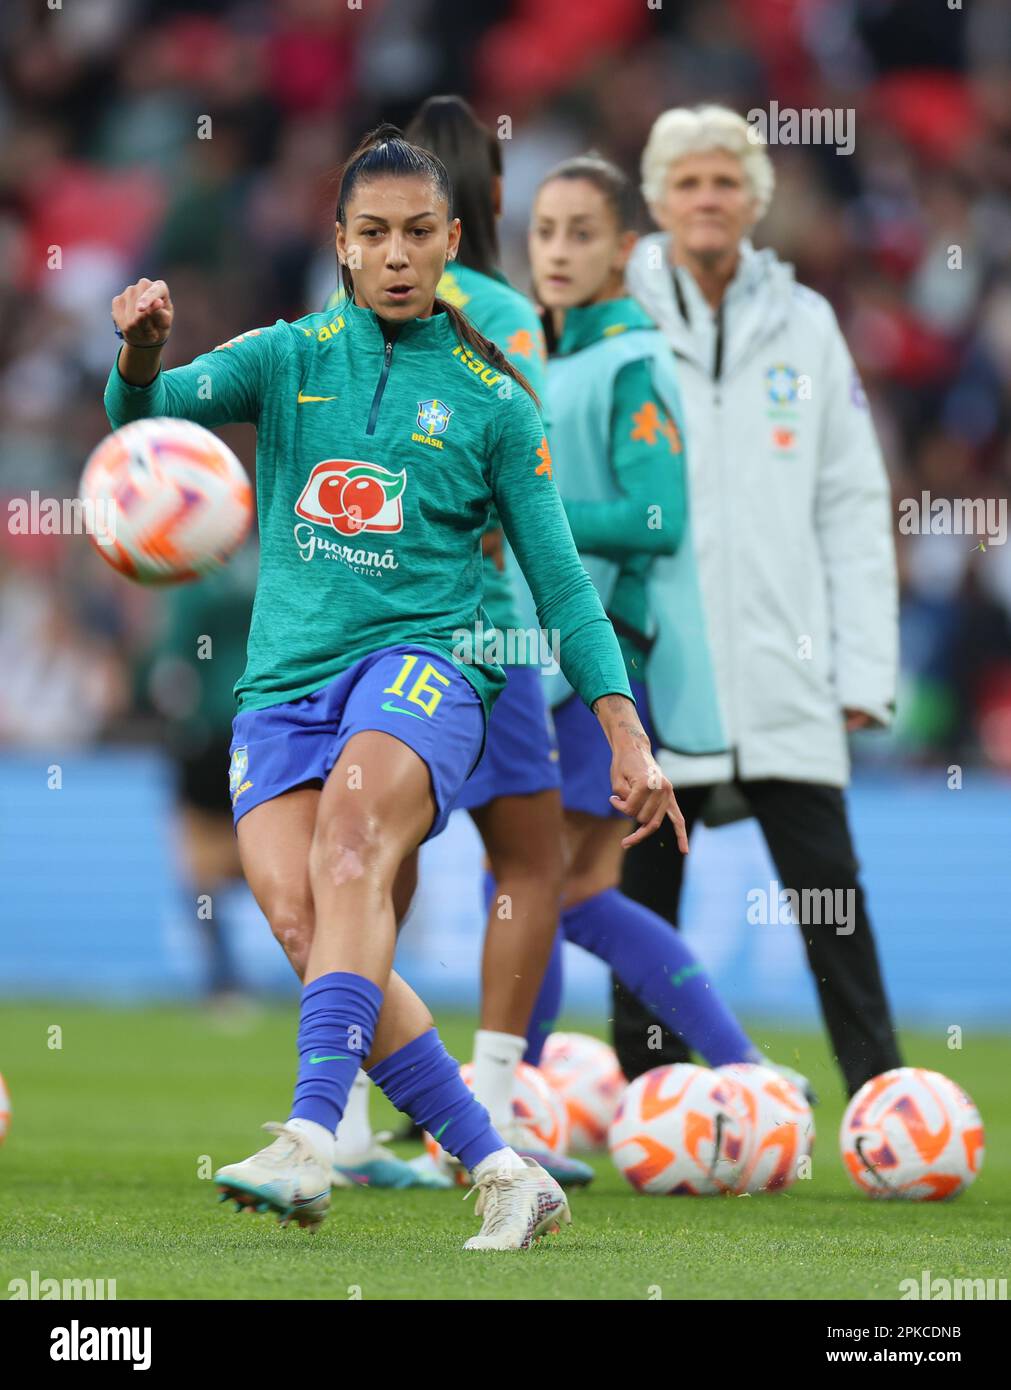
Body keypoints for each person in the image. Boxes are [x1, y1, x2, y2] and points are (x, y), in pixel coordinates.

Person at [104, 126, 686, 1251]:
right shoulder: (288, 356)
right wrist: (138, 353)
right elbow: (146, 416)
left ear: (454, 239)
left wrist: (623, 733)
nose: (399, 254)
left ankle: (311, 1134)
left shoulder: (492, 400)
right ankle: (504, 1168)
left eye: (420, 232)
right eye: (374, 234)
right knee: (309, 924)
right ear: (340, 244)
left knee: (353, 841)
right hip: (281, 688)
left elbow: (563, 584)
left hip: (427, 668)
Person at [617, 104, 903, 1097]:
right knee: (645, 898)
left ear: (754, 201)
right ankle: (652, 1103)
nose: (707, 199)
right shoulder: (614, 318)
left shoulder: (810, 324)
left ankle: (883, 1104)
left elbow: (853, 504)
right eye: (688, 182)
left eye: (725, 182)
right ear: (656, 200)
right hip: (658, 666)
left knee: (832, 901)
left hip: (788, 666)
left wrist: (864, 667)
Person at [517, 154, 810, 1100]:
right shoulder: (541, 357)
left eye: (580, 233)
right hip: (536, 654)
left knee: (525, 886)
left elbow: (658, 517)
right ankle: (744, 1069)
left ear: (623, 250)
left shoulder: (631, 360)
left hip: (593, 654)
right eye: (544, 231)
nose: (558, 252)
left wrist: (524, 510)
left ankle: (500, 1107)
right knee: (572, 895)